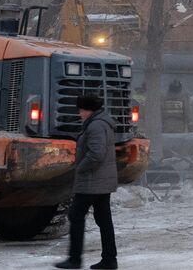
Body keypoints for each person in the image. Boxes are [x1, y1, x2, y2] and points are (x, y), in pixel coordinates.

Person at [54, 94, 119, 269]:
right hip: (101, 181)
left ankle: (75, 259)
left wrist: (80, 167)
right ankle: (109, 260)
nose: (79, 113)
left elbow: (96, 154)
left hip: (92, 181)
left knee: (76, 215)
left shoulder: (96, 125)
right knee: (104, 220)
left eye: (81, 109)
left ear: (88, 110)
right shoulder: (101, 123)